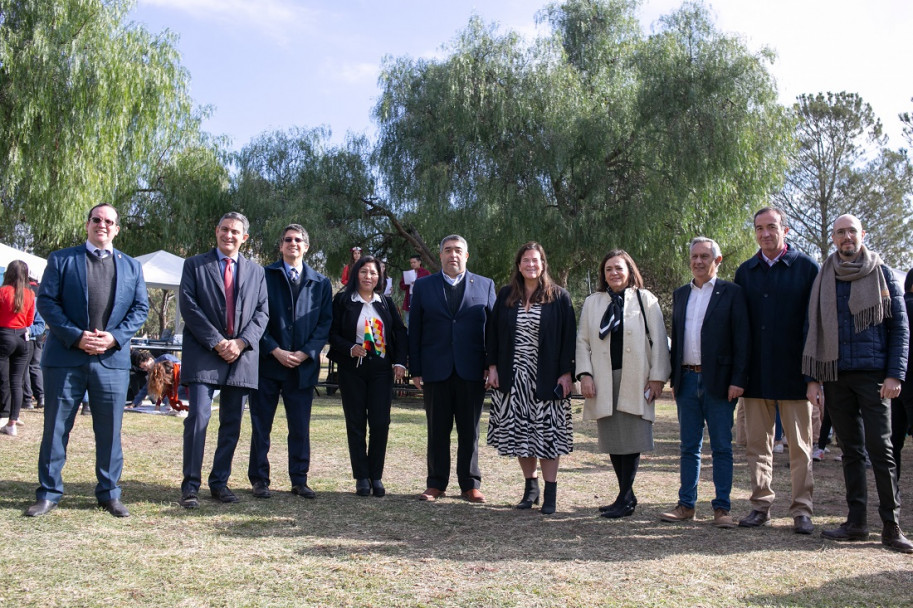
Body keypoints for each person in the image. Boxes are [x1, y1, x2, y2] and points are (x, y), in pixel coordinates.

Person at [25, 203, 148, 517]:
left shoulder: (132, 267)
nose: (102, 225)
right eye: (97, 219)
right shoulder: (62, 259)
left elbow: (140, 309)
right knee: (55, 428)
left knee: (109, 430)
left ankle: (109, 493)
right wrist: (76, 336)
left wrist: (114, 337)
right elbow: (47, 302)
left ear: (117, 229)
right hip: (66, 357)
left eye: (109, 221)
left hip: (112, 360)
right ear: (88, 224)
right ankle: (49, 493)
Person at [804, 214, 912, 553]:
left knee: (881, 451)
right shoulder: (824, 277)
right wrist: (814, 380)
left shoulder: (883, 274)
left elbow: (901, 329)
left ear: (862, 234)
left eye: (852, 231)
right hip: (835, 376)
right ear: (833, 238)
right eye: (840, 232)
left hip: (875, 377)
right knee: (850, 451)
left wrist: (895, 374)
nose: (847, 237)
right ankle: (856, 522)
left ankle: (891, 527)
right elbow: (813, 329)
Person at [734, 207, 819, 534]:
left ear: (786, 229)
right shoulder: (745, 272)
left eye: (771, 227)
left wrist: (813, 377)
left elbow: (814, 327)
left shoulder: (807, 269)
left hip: (795, 376)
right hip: (756, 376)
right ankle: (760, 505)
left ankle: (802, 510)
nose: (765, 233)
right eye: (759, 228)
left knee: (800, 448)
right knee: (758, 447)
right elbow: (740, 329)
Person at [178, 212, 269, 509]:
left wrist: (241, 343)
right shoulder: (194, 265)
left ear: (244, 238)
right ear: (216, 231)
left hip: (241, 357)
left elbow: (262, 313)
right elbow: (189, 307)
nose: (229, 235)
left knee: (231, 422)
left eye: (236, 232)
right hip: (204, 352)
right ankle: (190, 486)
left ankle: (220, 482)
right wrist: (217, 342)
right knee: (198, 419)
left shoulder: (257, 272)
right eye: (225, 229)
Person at [659, 238, 749, 528]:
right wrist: (675, 378)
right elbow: (677, 335)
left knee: (721, 447)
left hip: (721, 383)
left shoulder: (732, 293)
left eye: (705, 256)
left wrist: (738, 380)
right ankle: (686, 505)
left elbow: (742, 341)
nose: (698, 261)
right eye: (694, 256)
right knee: (688, 447)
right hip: (686, 380)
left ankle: (722, 509)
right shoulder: (681, 294)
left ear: (717, 260)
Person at [576, 249, 671, 519]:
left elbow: (660, 340)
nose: (614, 273)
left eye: (619, 268)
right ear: (602, 274)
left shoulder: (645, 299)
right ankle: (625, 495)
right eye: (608, 269)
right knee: (614, 439)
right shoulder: (593, 302)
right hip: (604, 379)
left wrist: (657, 378)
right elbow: (582, 341)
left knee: (632, 437)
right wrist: (585, 375)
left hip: (636, 378)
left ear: (629, 270)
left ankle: (625, 497)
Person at [486, 242, 575, 514]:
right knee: (520, 434)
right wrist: (492, 367)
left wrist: (567, 373)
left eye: (535, 260)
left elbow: (569, 338)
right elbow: (492, 334)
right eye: (526, 260)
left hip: (547, 377)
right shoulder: (505, 295)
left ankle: (550, 492)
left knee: (547, 436)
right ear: (518, 265)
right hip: (513, 378)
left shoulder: (559, 296)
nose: (531, 265)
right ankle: (530, 488)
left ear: (543, 264)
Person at [409, 235, 496, 503]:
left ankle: (470, 484)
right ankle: (436, 483)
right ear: (441, 255)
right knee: (437, 430)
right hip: (436, 369)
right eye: (448, 250)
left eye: (458, 250)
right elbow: (415, 331)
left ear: (466, 256)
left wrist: (491, 365)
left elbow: (493, 330)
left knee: (470, 431)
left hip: (472, 371)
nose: (453, 255)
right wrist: (416, 369)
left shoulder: (485, 285)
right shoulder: (423, 286)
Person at [249, 224, 331, 500]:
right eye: (288, 240)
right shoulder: (263, 275)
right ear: (281, 246)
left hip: (302, 367)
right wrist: (274, 349)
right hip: (268, 364)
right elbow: (255, 317)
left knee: (300, 427)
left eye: (298, 240)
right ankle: (260, 480)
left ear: (306, 247)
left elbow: (325, 323)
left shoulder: (321, 283)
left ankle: (299, 479)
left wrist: (307, 352)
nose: (293, 244)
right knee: (262, 426)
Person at [329, 255, 407, 497]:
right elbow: (330, 333)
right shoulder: (343, 300)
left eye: (373, 273)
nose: (368, 277)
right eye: (363, 272)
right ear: (356, 275)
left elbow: (399, 332)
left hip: (381, 370)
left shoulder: (385, 302)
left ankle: (376, 475)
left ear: (379, 277)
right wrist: (349, 348)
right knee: (355, 423)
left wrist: (400, 362)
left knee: (380, 423)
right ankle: (361, 477)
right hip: (352, 368)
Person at [0, 260, 37, 436]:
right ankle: (12, 421)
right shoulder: (29, 294)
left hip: (4, 335)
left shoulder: (2, 292)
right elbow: (30, 321)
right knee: (17, 382)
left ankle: (3, 414)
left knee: (3, 379)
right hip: (23, 338)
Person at [891, 268, 913, 480]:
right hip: (908, 381)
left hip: (895, 379)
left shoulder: (898, 305)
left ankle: (893, 486)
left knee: (894, 440)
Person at [22, 277, 45, 411]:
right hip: (37, 335)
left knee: (25, 369)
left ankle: (27, 399)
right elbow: (40, 324)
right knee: (35, 367)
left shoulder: (25, 297)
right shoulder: (38, 297)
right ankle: (40, 397)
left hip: (26, 335)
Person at [399, 254, 430, 326]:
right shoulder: (408, 273)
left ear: (419, 262)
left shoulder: (425, 272)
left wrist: (418, 283)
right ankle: (410, 335)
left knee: (420, 317)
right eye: (411, 263)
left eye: (414, 262)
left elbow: (429, 286)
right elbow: (402, 286)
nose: (412, 264)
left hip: (420, 297)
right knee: (409, 318)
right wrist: (408, 283)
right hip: (409, 296)